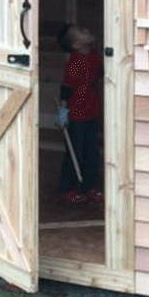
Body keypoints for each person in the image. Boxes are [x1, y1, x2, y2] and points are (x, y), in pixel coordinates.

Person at [56, 23, 103, 205]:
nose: (88, 30)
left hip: (91, 113)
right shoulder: (75, 62)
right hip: (76, 116)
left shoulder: (94, 56)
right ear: (75, 44)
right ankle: (68, 188)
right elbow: (66, 88)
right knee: (75, 154)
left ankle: (89, 186)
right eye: (83, 31)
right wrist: (63, 110)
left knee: (92, 152)